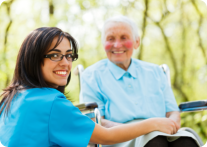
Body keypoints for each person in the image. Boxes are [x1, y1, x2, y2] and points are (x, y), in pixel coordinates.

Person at [0, 27, 183, 147]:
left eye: (69, 55)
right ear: (33, 60)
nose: (65, 63)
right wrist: (154, 122)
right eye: (55, 55)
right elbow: (106, 137)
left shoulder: (10, 98)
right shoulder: (50, 103)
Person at [80, 16, 200, 147]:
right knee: (155, 142)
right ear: (103, 44)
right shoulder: (91, 76)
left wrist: (169, 126)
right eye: (110, 39)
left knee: (186, 141)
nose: (117, 44)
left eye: (124, 38)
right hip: (121, 138)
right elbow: (97, 122)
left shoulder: (155, 72)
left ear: (137, 42)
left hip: (163, 132)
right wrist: (146, 128)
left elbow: (173, 113)